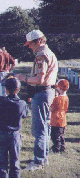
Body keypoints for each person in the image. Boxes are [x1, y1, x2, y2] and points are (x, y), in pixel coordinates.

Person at [16, 30, 58, 171]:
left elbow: (39, 79)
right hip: (48, 92)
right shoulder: (50, 53)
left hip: (41, 93)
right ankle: (43, 157)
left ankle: (38, 161)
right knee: (45, 126)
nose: (29, 47)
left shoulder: (41, 56)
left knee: (39, 128)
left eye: (30, 44)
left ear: (39, 41)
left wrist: (24, 78)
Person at [50, 79, 69, 153]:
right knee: (61, 135)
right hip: (63, 120)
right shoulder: (66, 98)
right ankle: (62, 147)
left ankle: (56, 148)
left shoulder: (56, 99)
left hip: (56, 121)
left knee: (55, 136)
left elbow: (51, 109)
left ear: (59, 88)